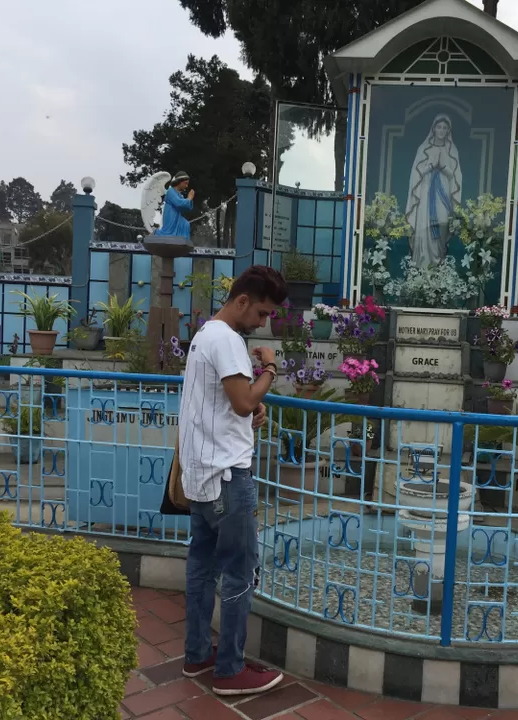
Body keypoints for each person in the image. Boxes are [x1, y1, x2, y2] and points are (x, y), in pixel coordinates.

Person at [178, 265, 288, 696]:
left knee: (202, 569)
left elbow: (227, 404)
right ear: (242, 300)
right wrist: (270, 369)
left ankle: (197, 654)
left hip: (202, 475)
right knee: (240, 574)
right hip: (228, 476)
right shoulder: (226, 339)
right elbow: (242, 402)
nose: (263, 322)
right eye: (261, 313)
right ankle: (230, 670)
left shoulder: (206, 335)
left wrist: (250, 407)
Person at [405, 114, 462, 268]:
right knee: (424, 227)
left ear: (448, 130)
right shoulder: (423, 149)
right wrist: (430, 166)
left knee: (442, 223)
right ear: (434, 129)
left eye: (445, 128)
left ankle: (439, 264)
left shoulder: (451, 150)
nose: (441, 130)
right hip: (425, 193)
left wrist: (443, 166)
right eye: (439, 127)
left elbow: (455, 177)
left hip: (443, 194)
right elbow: (415, 175)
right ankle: (422, 265)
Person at [155, 171, 194, 238]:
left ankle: (182, 240)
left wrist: (189, 200)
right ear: (179, 182)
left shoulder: (179, 194)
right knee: (169, 232)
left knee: (186, 224)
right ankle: (156, 233)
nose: (186, 186)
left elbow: (186, 207)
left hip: (177, 217)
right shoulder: (170, 191)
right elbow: (179, 203)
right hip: (171, 217)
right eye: (185, 183)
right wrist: (189, 199)